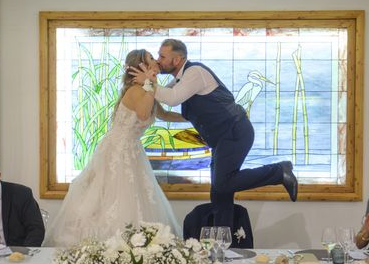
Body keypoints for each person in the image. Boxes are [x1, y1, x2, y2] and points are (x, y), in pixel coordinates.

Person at [130, 38, 298, 231]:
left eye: (162, 56)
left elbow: (173, 99)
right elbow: (163, 99)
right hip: (222, 138)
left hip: (235, 130)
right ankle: (223, 246)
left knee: (223, 183)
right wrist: (144, 86)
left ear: (177, 60)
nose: (159, 60)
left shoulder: (195, 72)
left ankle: (280, 172)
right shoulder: (179, 80)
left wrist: (147, 83)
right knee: (219, 195)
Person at [43, 49, 184, 247]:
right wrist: (151, 83)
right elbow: (144, 114)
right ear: (142, 67)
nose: (156, 61)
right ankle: (113, 248)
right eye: (152, 58)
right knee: (115, 200)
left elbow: (163, 115)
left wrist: (195, 119)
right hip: (118, 151)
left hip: (132, 150)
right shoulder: (137, 91)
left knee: (137, 199)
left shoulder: (147, 88)